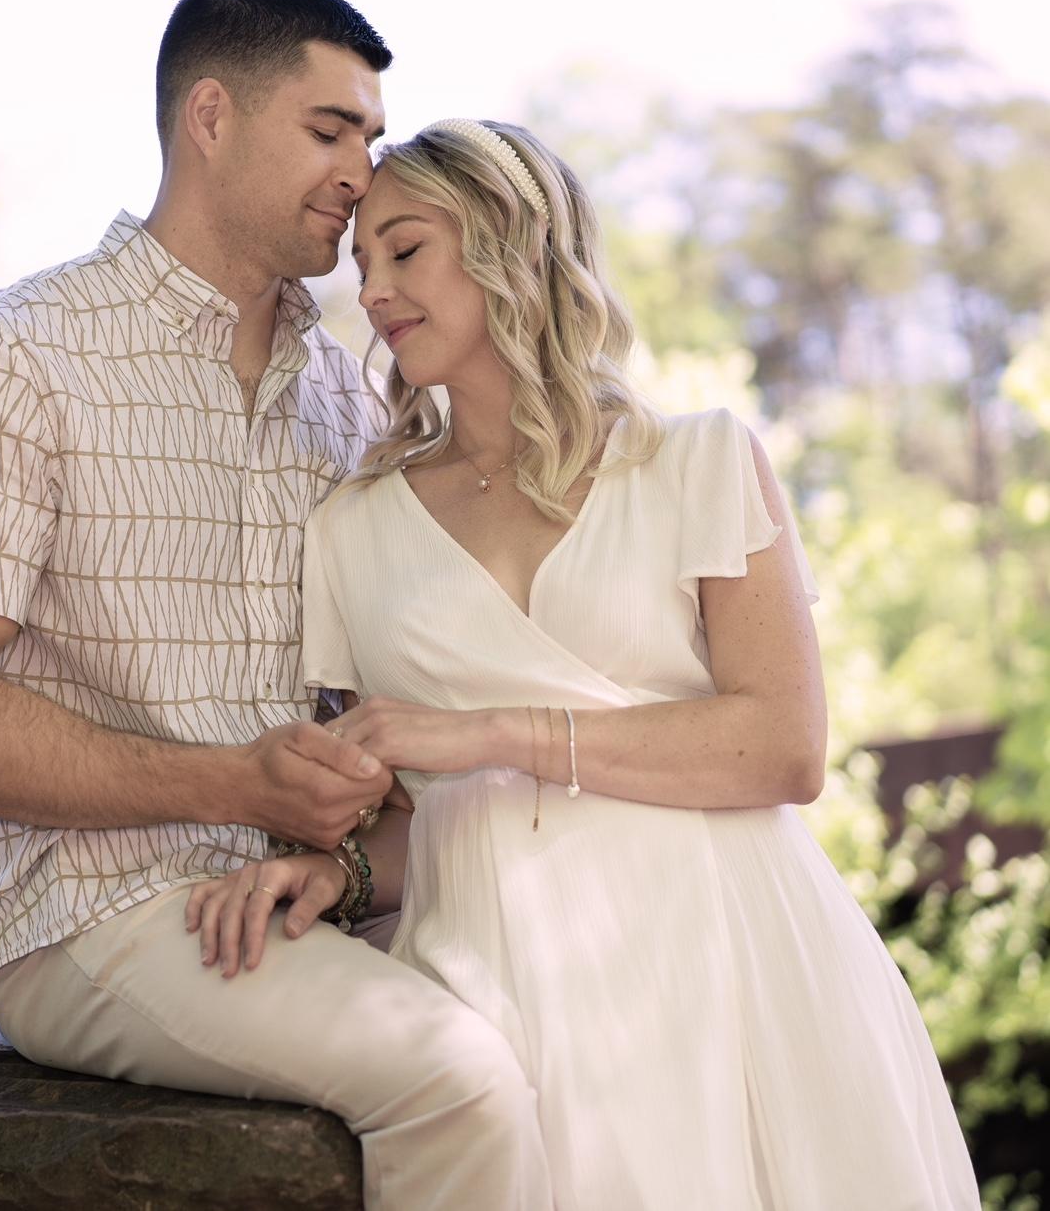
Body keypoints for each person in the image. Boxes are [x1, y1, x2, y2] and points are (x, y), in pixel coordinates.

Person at [186, 118, 983, 1210]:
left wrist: (490, 730)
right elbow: (420, 811)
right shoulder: (352, 528)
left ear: (512, 244)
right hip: (504, 979)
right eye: (361, 262)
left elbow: (782, 748)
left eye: (406, 249)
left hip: (733, 957)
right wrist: (342, 873)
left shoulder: (696, 460)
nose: (372, 291)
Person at [0, 0, 558, 1210]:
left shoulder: (351, 398)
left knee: (575, 1019)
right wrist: (236, 783)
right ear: (211, 117)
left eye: (371, 138)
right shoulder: (6, 361)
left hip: (308, 901)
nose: (360, 172)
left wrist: (352, 843)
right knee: (455, 1078)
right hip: (82, 915)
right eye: (329, 130)